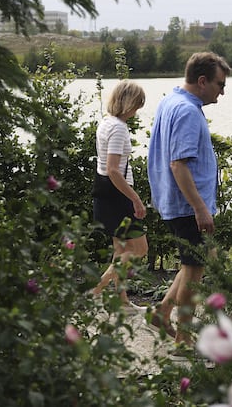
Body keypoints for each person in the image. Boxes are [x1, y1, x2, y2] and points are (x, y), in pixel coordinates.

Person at [147, 51, 231, 345]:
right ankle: (183, 337)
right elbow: (178, 164)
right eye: (220, 85)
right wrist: (201, 209)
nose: (222, 93)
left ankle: (162, 311)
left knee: (192, 262)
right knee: (195, 270)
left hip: (175, 201)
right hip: (187, 204)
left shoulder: (171, 100)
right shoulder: (187, 111)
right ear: (203, 80)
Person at [90, 80, 149, 310]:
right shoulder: (119, 128)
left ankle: (122, 301)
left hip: (104, 195)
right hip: (118, 198)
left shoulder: (106, 123)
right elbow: (114, 169)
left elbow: (104, 166)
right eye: (136, 105)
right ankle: (97, 290)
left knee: (121, 250)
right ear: (128, 103)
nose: (137, 111)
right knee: (139, 249)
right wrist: (135, 198)